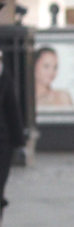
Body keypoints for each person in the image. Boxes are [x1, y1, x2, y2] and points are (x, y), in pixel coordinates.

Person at [0, 52, 26, 215]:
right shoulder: (4, 74)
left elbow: (12, 110)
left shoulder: (3, 75)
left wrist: (19, 142)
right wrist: (19, 143)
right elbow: (12, 110)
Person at [34, 46, 74, 111]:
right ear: (34, 66)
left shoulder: (63, 97)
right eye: (46, 66)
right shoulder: (25, 99)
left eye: (55, 67)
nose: (51, 72)